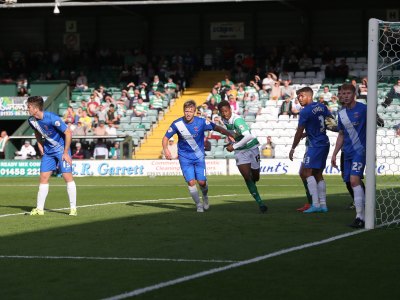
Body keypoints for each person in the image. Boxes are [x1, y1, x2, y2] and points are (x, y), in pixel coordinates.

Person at [162, 100, 233, 212]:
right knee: (191, 182)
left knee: (202, 182)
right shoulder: (177, 124)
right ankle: (198, 205)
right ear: (183, 111)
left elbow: (216, 127)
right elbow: (165, 138)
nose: (188, 113)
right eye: (186, 111)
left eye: (190, 111)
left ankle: (205, 197)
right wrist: (166, 150)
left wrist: (229, 134)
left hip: (199, 156)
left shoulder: (201, 122)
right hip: (184, 157)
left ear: (195, 112)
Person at [26, 96, 77, 216]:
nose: (27, 109)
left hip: (61, 149)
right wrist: (39, 145)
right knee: (43, 178)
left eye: (28, 107)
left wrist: (66, 152)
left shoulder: (52, 118)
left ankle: (73, 208)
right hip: (48, 151)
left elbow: (68, 132)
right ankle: (39, 209)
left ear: (35, 108)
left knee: (67, 177)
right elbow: (37, 131)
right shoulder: (31, 120)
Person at [218, 100, 268, 213]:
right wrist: (232, 141)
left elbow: (248, 136)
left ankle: (253, 186)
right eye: (222, 112)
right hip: (240, 151)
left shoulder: (237, 120)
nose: (224, 113)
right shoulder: (224, 120)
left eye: (226, 111)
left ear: (230, 109)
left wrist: (234, 146)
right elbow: (235, 134)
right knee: (246, 176)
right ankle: (260, 204)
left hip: (251, 147)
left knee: (256, 177)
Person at [289, 87, 331, 213]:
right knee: (318, 174)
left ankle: (315, 204)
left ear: (309, 96)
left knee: (307, 173)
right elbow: (328, 123)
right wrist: (307, 134)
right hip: (325, 142)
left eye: (301, 96)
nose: (299, 99)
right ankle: (323, 205)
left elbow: (299, 131)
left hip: (315, 145)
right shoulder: (322, 107)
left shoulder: (305, 111)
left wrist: (292, 148)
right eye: (298, 97)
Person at [331, 83, 367, 228]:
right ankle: (363, 214)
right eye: (343, 94)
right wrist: (334, 154)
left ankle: (360, 217)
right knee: (350, 183)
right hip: (347, 153)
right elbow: (341, 135)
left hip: (360, 151)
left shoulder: (364, 109)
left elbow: (373, 122)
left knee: (354, 181)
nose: (345, 96)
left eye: (348, 93)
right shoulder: (341, 114)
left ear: (354, 94)